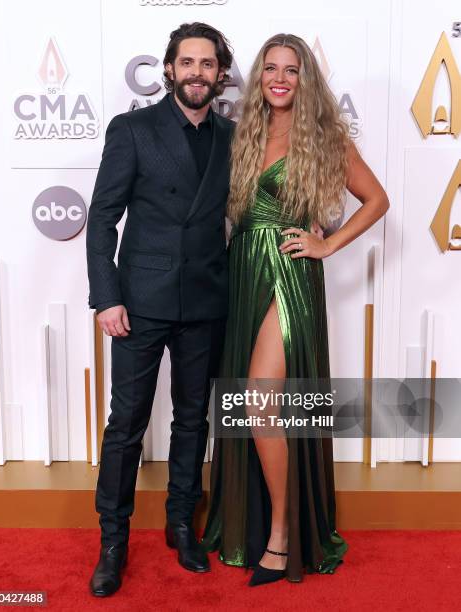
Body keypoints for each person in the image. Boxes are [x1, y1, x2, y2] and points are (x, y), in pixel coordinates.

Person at [202, 33, 389, 586]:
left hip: (288, 274)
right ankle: (258, 521)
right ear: (259, 76)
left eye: (293, 70)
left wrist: (328, 244)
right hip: (243, 272)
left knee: (260, 403)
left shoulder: (325, 137)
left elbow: (377, 200)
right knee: (254, 405)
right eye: (271, 69)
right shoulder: (241, 135)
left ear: (306, 79)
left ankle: (283, 532)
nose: (280, 78)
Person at [86, 22, 234, 597]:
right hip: (139, 303)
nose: (196, 72)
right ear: (168, 69)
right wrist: (107, 297)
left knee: (193, 419)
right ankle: (113, 540)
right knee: (127, 425)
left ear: (220, 74)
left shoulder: (232, 135)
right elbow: (102, 219)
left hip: (205, 299)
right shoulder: (133, 129)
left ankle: (181, 525)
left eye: (207, 64)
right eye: (186, 62)